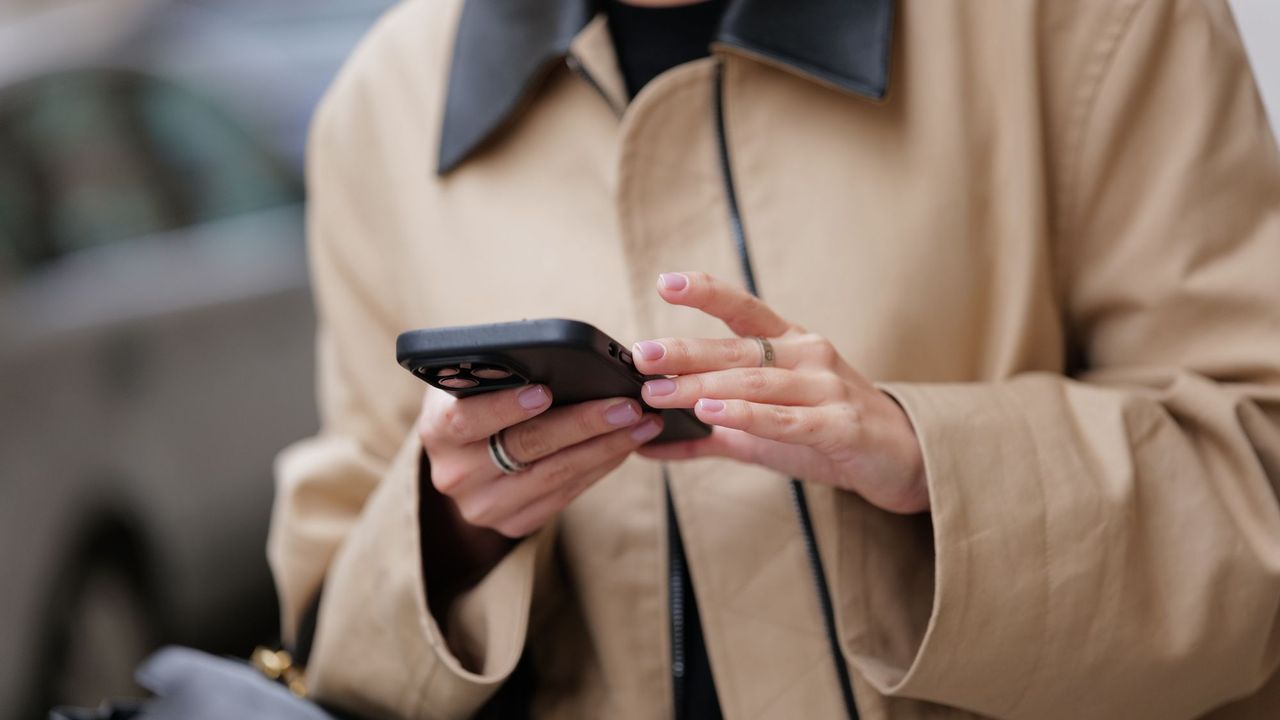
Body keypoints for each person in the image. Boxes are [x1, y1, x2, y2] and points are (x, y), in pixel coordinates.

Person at [267, 0, 1280, 717]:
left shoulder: (1083, 21)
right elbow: (331, 640)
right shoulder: (382, 106)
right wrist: (449, 528)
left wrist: (930, 464)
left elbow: (1254, 475)